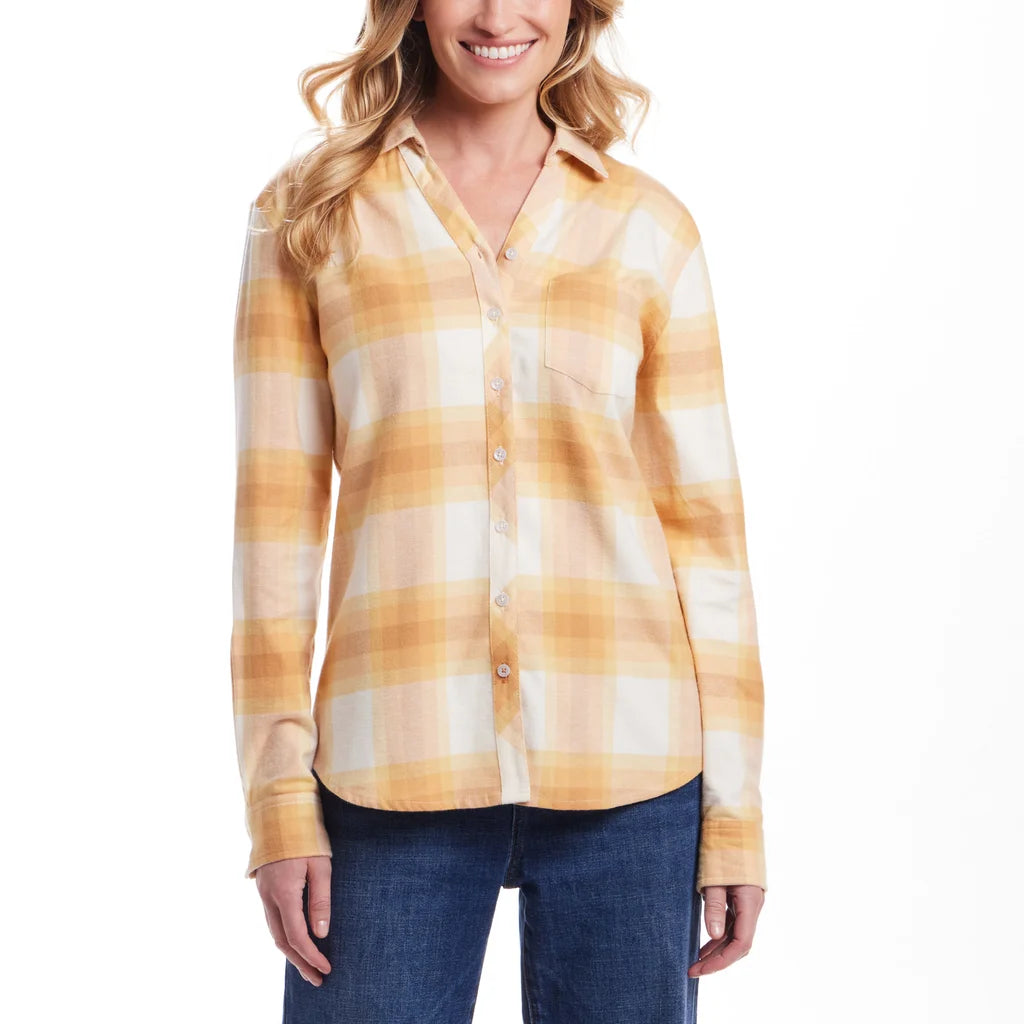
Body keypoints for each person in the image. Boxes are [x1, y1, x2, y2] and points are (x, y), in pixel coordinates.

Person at [229, 2, 767, 1021]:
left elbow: (707, 540)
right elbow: (273, 531)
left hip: (631, 764)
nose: (495, 14)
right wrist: (278, 798)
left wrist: (734, 813)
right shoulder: (310, 216)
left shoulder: (647, 227)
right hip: (392, 763)